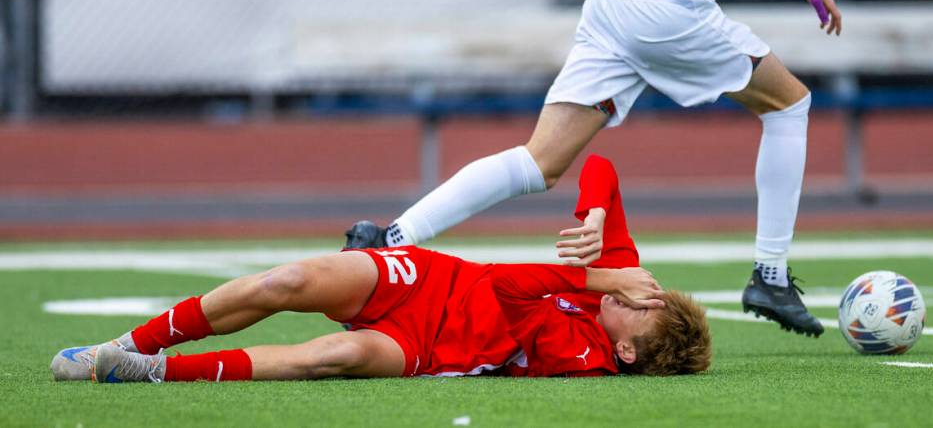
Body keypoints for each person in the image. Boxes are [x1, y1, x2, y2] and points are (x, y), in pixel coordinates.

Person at [347, 0, 841, 337]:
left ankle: (391, 239)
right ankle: (770, 276)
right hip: (667, 0)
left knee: (539, 163)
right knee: (789, 104)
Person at [51, 156, 711, 383]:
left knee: (328, 356)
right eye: (650, 298)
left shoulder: (586, 357)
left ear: (626, 349)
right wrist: (595, 215)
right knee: (284, 284)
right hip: (431, 277)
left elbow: (509, 286)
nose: (642, 295)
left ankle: (150, 371)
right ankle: (129, 343)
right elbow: (601, 167)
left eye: (646, 314)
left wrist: (595, 279)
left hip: (424, 348)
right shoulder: (625, 278)